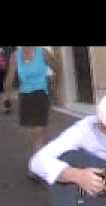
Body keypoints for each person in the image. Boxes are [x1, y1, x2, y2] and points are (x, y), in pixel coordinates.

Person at [3, 46, 59, 177]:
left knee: (38, 132)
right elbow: (10, 77)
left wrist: (55, 86)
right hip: (26, 97)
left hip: (40, 94)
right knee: (37, 133)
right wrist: (6, 93)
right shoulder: (15, 56)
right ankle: (45, 158)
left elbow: (57, 67)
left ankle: (37, 166)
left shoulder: (42, 52)